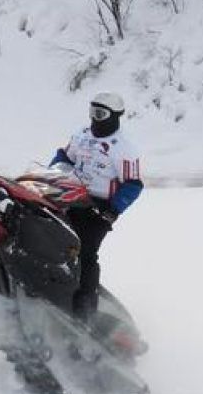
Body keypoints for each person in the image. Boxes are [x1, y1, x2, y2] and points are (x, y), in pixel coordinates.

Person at [49, 92, 144, 319]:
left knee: (85, 253)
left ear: (114, 116)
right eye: (92, 112)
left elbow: (133, 184)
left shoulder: (124, 148)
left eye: (100, 114)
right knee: (51, 236)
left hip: (97, 208)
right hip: (68, 195)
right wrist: (51, 175)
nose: (94, 120)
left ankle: (85, 309)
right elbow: (64, 157)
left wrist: (112, 211)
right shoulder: (82, 134)